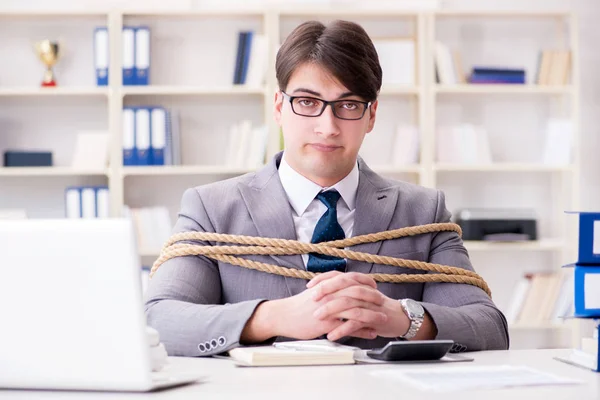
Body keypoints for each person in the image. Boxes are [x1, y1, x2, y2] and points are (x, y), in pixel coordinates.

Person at [144, 20, 509, 357]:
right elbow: (158, 320)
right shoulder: (212, 208)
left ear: (371, 116)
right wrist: (272, 318)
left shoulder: (423, 211)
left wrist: (401, 318)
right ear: (278, 107)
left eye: (348, 105)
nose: (327, 126)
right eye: (307, 102)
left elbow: (489, 328)